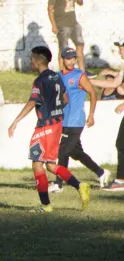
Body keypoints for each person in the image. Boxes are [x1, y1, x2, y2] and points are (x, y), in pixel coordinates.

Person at [8, 47, 90, 212]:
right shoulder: (57, 77)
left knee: (37, 165)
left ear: (38, 59)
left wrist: (15, 121)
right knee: (51, 165)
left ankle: (46, 205)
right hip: (57, 124)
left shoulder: (40, 81)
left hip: (45, 126)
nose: (30, 61)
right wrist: (55, 109)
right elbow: (65, 99)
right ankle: (79, 185)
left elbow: (32, 102)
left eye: (32, 58)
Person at [49, 48, 110, 193]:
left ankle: (58, 184)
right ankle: (101, 172)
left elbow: (92, 93)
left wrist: (91, 115)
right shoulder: (57, 76)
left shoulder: (79, 75)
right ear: (62, 59)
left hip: (76, 121)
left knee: (63, 151)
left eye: (74, 58)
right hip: (63, 121)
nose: (71, 61)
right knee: (76, 153)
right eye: (68, 58)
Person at [48, 0, 86, 72]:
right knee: (63, 48)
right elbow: (50, 9)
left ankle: (82, 70)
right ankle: (63, 71)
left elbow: (81, 2)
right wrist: (53, 25)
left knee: (80, 44)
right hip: (62, 24)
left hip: (74, 23)